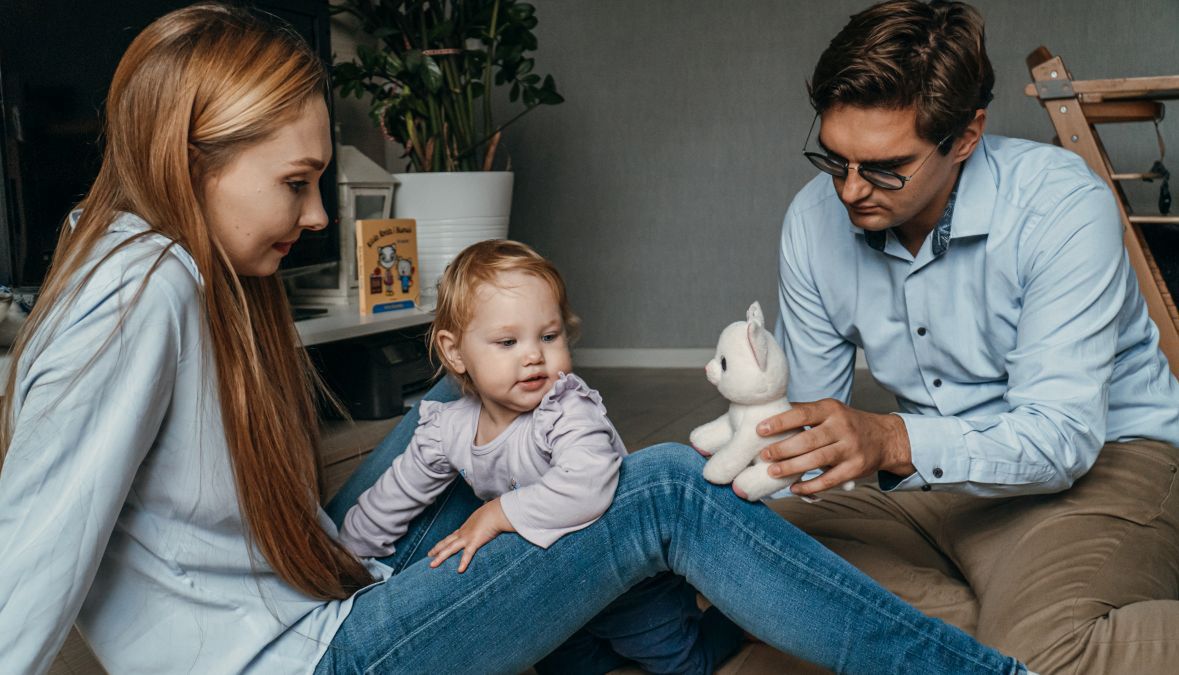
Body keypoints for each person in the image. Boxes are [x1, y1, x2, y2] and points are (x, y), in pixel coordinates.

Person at [0, 4, 1032, 675]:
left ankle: (657, 633)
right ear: (195, 159)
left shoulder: (161, 263)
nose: (318, 216)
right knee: (663, 489)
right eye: (297, 182)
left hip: (312, 596)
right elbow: (32, 543)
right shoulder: (142, 286)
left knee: (455, 428)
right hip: (308, 659)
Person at [759, 1, 1179, 673]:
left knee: (1041, 657)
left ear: (965, 135)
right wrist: (767, 492)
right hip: (933, 494)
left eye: (884, 167)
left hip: (1102, 467)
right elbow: (807, 435)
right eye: (834, 160)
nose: (848, 192)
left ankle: (1012, 632)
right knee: (735, 554)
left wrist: (891, 438)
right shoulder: (814, 219)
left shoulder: (1060, 207)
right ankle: (993, 624)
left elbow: (1059, 439)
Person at [337, 238, 744, 674]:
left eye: (548, 337)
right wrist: (345, 558)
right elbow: (394, 495)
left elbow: (586, 488)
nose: (534, 355)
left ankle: (731, 622)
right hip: (551, 590)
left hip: (626, 579)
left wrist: (496, 514)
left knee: (681, 662)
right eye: (508, 342)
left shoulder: (568, 409)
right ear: (455, 352)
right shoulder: (447, 428)